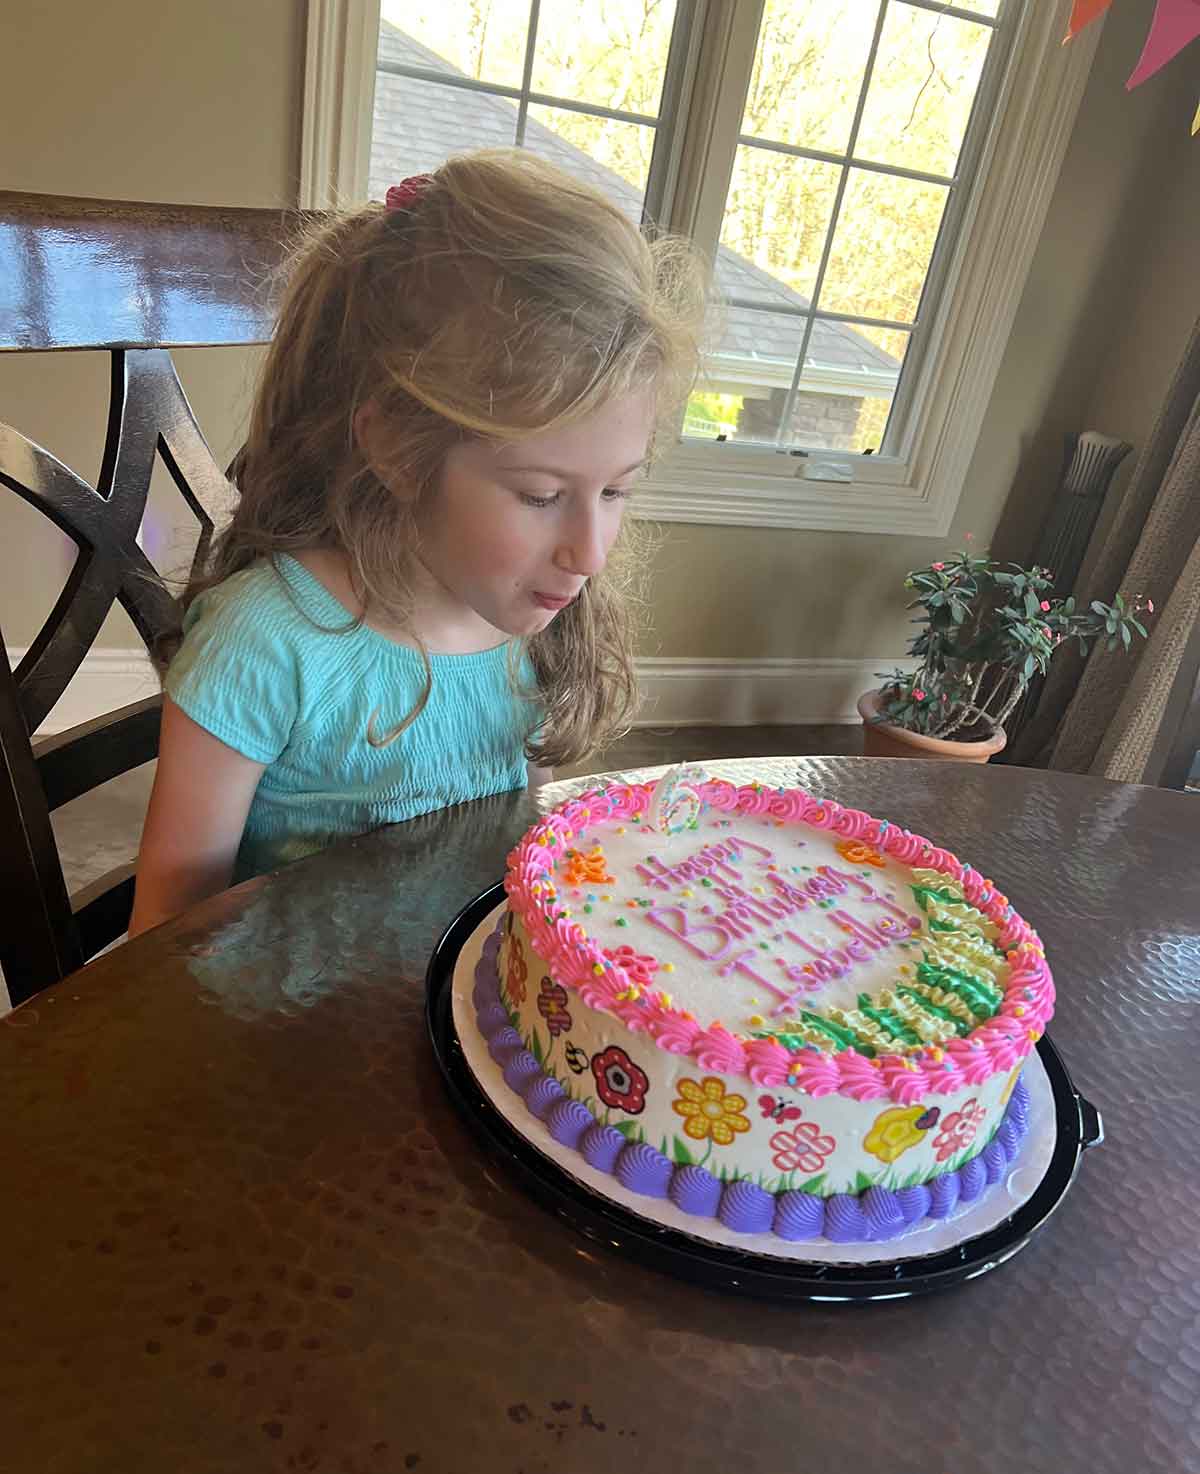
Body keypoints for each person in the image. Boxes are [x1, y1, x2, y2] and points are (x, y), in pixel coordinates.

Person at [129, 148, 708, 936]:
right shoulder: (263, 644)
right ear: (399, 448)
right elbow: (166, 938)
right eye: (540, 495)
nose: (591, 551)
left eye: (616, 491)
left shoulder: (523, 613)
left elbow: (519, 857)